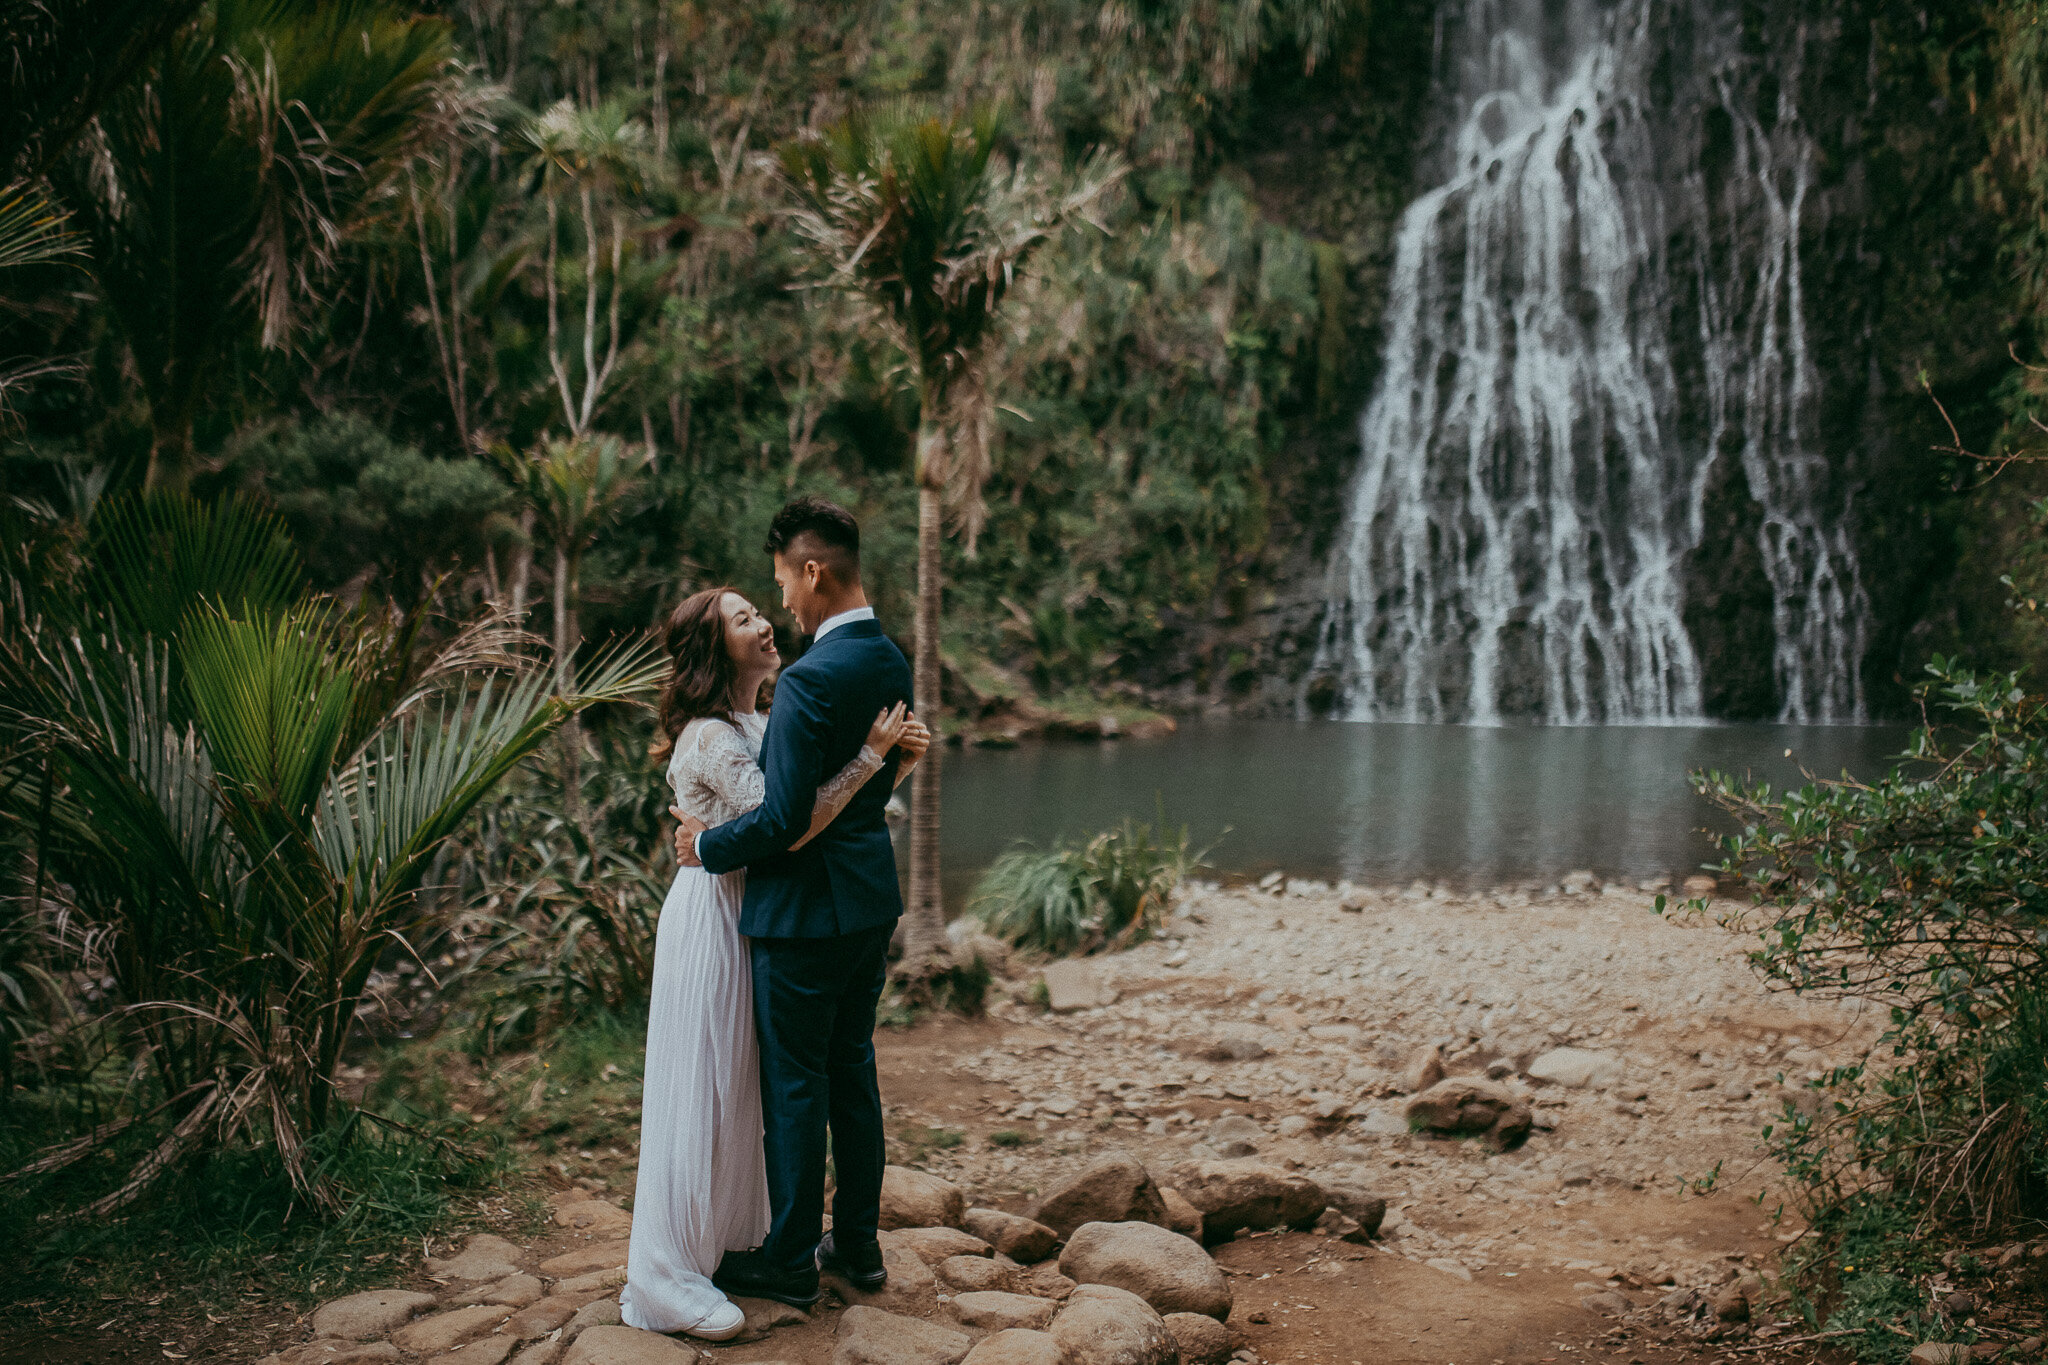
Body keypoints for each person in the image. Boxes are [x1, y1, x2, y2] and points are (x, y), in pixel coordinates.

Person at [620, 574, 927, 1340]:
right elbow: (784, 822)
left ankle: (751, 1237)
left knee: (756, 1086)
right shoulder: (712, 736)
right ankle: (675, 1263)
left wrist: (889, 764)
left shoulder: (764, 717)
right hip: (717, 913)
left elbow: (829, 814)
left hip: (762, 909)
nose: (764, 620)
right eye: (743, 617)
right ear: (710, 648)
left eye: (760, 608)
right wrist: (869, 755)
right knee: (709, 1079)